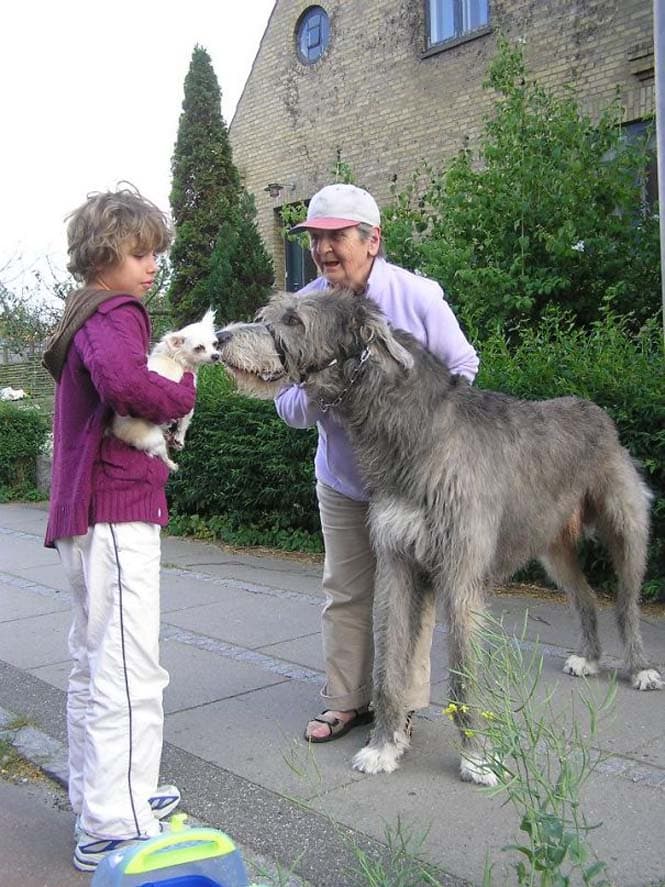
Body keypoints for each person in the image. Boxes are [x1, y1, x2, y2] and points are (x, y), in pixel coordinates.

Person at [275, 183, 479, 742]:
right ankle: (347, 700)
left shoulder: (417, 297)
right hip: (343, 478)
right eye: (316, 238)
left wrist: (421, 420)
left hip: (415, 482)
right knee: (345, 589)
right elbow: (289, 407)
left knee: (413, 595)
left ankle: (403, 706)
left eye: (336, 235)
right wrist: (323, 386)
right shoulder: (305, 310)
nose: (323, 249)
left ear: (372, 240)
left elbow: (463, 367)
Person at [42, 186, 196, 872]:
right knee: (131, 669)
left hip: (84, 513)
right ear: (105, 255)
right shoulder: (115, 310)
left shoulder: (83, 312)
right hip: (116, 509)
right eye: (140, 252)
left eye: (155, 251)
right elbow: (129, 388)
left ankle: (105, 790)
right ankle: (115, 822)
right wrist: (184, 385)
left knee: (93, 660)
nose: (152, 264)